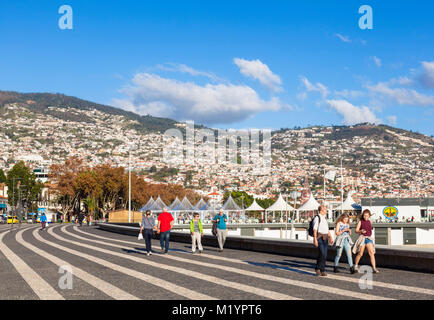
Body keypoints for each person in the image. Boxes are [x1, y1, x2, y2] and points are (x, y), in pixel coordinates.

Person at [353, 209, 379, 274]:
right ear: (363, 215)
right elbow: (356, 230)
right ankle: (355, 266)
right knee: (360, 254)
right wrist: (361, 231)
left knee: (371, 253)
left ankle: (374, 268)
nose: (365, 217)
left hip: (368, 238)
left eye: (367, 216)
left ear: (369, 216)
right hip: (362, 238)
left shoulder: (369, 222)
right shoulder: (360, 222)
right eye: (364, 215)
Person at [313, 204, 333, 276]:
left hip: (325, 237)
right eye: (325, 209)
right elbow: (315, 229)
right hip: (320, 237)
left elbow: (327, 229)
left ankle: (322, 270)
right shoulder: (317, 218)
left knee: (325, 255)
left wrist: (330, 237)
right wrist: (315, 239)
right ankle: (318, 268)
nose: (326, 211)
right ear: (321, 210)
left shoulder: (324, 218)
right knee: (322, 253)